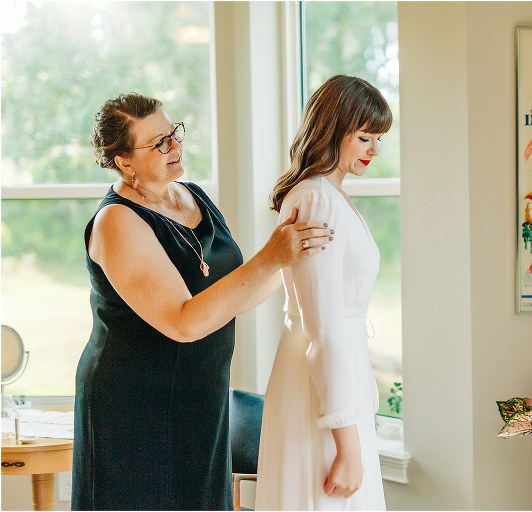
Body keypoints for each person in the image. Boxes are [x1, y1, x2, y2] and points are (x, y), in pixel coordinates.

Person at [72, 93, 333, 511]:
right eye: (159, 143)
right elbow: (184, 322)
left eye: (174, 133)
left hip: (202, 397)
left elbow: (234, 295)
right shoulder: (117, 221)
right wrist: (271, 256)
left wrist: (297, 260)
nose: (175, 146)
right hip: (134, 407)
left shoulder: (194, 197)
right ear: (123, 160)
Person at [254, 75, 391, 510]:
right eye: (365, 137)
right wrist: (347, 445)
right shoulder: (317, 200)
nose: (374, 150)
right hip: (321, 391)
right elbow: (324, 327)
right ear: (332, 132)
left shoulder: (331, 195)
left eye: (378, 138)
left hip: (336, 385)